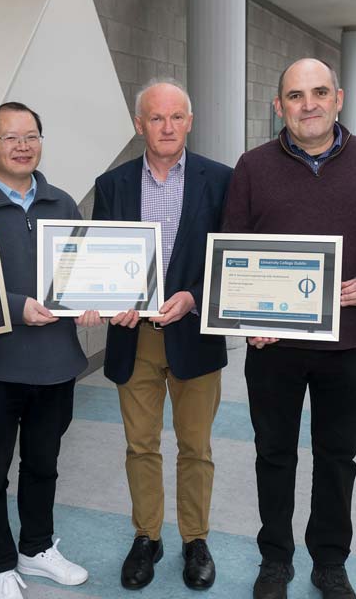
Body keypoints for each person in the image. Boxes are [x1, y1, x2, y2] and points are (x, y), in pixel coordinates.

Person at [222, 58, 356, 599]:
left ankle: (330, 562)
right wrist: (246, 315)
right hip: (273, 345)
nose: (309, 105)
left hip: (346, 345)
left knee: (337, 458)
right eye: (296, 96)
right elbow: (230, 246)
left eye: (319, 92)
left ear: (339, 98)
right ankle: (275, 559)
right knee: (272, 454)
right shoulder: (252, 166)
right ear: (279, 106)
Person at [0, 102, 97, 599]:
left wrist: (96, 298)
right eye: (10, 138)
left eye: (31, 136)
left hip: (56, 365)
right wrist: (12, 308)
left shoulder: (63, 203)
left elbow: (81, 273)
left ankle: (36, 548)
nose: (23, 146)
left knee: (43, 465)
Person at [92, 78, 231, 591]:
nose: (167, 126)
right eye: (156, 117)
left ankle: (196, 539)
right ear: (139, 125)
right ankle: (147, 537)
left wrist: (194, 296)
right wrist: (112, 300)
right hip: (137, 338)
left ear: (189, 122)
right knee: (140, 445)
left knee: (196, 446)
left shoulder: (222, 181)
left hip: (194, 332)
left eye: (176, 117)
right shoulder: (113, 185)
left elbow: (230, 258)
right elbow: (104, 262)